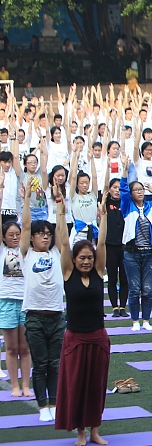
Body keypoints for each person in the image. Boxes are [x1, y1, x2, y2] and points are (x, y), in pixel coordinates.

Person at [54, 200, 110, 446]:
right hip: (75, 339)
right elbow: (64, 242)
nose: (86, 261)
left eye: (89, 258)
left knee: (96, 387)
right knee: (76, 386)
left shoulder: (98, 271)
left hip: (97, 338)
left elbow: (101, 243)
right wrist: (61, 210)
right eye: (82, 258)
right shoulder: (68, 273)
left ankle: (95, 430)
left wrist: (103, 217)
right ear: (74, 260)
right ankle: (80, 432)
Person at [21, 173, 68, 422]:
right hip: (35, 317)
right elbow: (26, 225)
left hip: (56, 316)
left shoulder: (57, 253)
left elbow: (61, 230)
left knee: (55, 364)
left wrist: (59, 202)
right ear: (32, 239)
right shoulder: (26, 254)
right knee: (40, 364)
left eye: (47, 234)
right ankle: (42, 407)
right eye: (41, 234)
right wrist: (27, 197)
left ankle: (56, 403)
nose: (45, 236)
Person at [118, 173, 152, 332]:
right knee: (134, 289)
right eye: (136, 190)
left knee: (147, 289)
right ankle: (135, 320)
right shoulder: (127, 206)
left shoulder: (150, 206)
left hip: (149, 253)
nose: (140, 192)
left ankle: (146, 320)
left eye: (141, 189)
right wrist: (124, 171)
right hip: (132, 253)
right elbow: (123, 191)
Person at [0, 220, 30, 397]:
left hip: (25, 303)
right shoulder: (2, 250)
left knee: (25, 348)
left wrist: (26, 199)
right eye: (10, 234)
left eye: (17, 234)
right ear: (3, 237)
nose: (14, 237)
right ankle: (14, 386)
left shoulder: (25, 251)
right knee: (11, 348)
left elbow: (26, 226)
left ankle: (26, 385)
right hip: (6, 302)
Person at [102, 178, 128, 317]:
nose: (117, 190)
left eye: (119, 187)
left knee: (124, 278)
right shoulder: (106, 203)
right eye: (114, 187)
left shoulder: (126, 203)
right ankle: (114, 307)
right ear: (109, 189)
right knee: (112, 277)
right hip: (110, 245)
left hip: (124, 246)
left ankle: (123, 306)